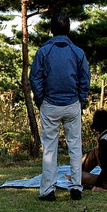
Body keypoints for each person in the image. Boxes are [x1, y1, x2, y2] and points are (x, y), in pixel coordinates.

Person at [30, 14, 90, 201]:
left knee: (49, 148)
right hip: (72, 103)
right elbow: (85, 78)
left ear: (51, 29)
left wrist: (41, 99)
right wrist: (80, 100)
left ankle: (48, 190)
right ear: (69, 29)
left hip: (50, 104)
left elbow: (35, 78)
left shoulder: (43, 51)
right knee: (75, 146)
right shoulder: (77, 52)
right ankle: (76, 188)